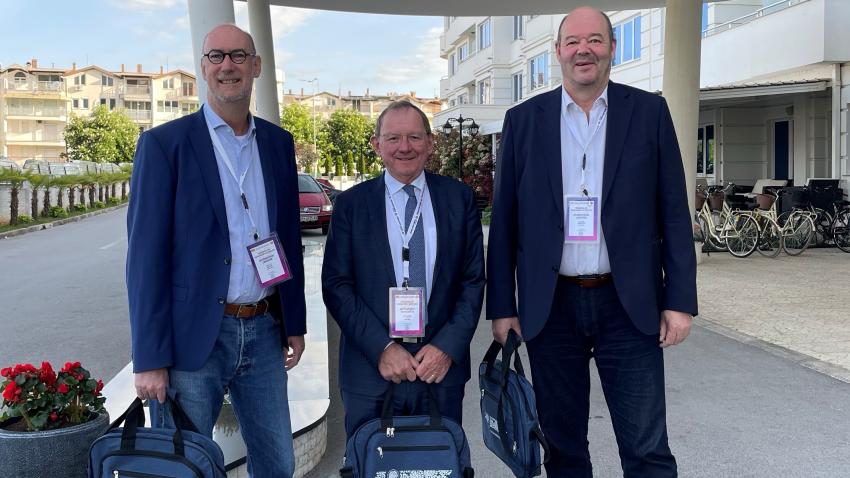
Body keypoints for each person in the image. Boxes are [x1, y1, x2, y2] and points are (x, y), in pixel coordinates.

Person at [486, 6, 698, 477]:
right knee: (562, 448)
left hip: (629, 305)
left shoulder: (649, 113)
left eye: (596, 40)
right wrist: (503, 308)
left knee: (646, 448)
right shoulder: (523, 121)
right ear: (558, 51)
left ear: (611, 49)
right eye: (574, 41)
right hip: (551, 305)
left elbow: (674, 214)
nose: (584, 50)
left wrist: (680, 301)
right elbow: (505, 224)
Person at [126, 24, 306, 477]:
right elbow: (145, 260)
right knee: (183, 466)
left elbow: (286, 237)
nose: (228, 65)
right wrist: (149, 358)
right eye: (217, 56)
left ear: (256, 66)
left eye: (239, 56)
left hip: (264, 329)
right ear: (204, 67)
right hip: (193, 339)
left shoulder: (278, 144)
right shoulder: (165, 145)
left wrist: (294, 322)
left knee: (278, 463)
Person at [322, 101, 485, 437]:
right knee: (371, 467)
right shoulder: (350, 205)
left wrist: (446, 347)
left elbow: (472, 281)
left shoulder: (458, 198)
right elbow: (337, 284)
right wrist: (382, 348)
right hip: (371, 370)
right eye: (393, 138)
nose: (405, 147)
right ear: (376, 144)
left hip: (439, 370)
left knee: (438, 468)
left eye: (414, 137)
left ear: (430, 142)